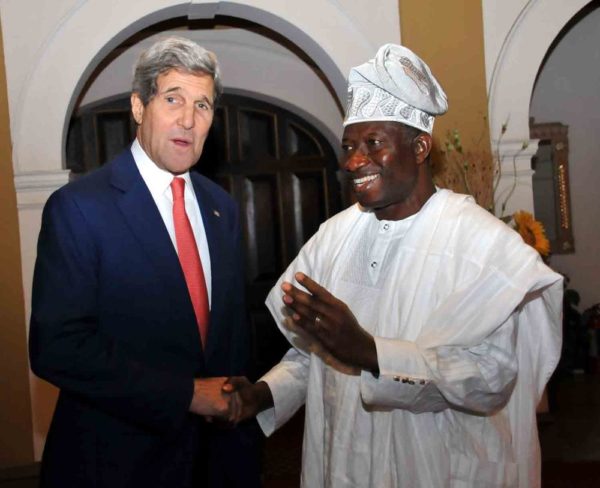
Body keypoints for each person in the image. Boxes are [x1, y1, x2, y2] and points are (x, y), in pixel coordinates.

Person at [225, 44, 563, 487]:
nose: (353, 162)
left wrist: (371, 352)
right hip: (342, 467)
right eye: (349, 146)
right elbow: (317, 353)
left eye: (373, 144)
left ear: (420, 146)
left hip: (437, 467)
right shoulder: (334, 237)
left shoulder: (485, 247)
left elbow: (491, 378)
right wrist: (262, 394)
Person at [29, 36, 259, 488]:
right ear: (138, 107)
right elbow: (57, 347)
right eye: (173, 99)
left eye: (203, 105)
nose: (188, 120)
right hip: (116, 464)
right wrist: (187, 395)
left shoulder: (222, 208)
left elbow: (228, 338)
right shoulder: (79, 208)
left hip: (215, 464)